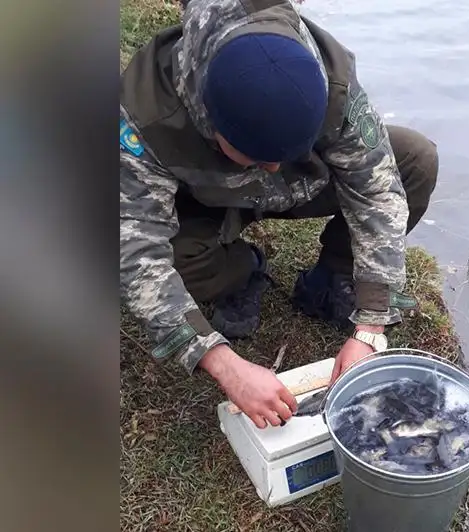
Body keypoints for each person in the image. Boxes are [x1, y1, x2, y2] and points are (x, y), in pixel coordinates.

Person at [120, 0, 439, 429]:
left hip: (302, 185)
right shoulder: (146, 116)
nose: (271, 167)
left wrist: (371, 326)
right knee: (176, 266)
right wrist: (222, 362)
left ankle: (333, 279)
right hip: (204, 200)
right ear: (211, 122)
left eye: (282, 154)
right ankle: (239, 272)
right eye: (258, 156)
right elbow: (135, 249)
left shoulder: (329, 81)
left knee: (414, 159)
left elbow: (376, 190)